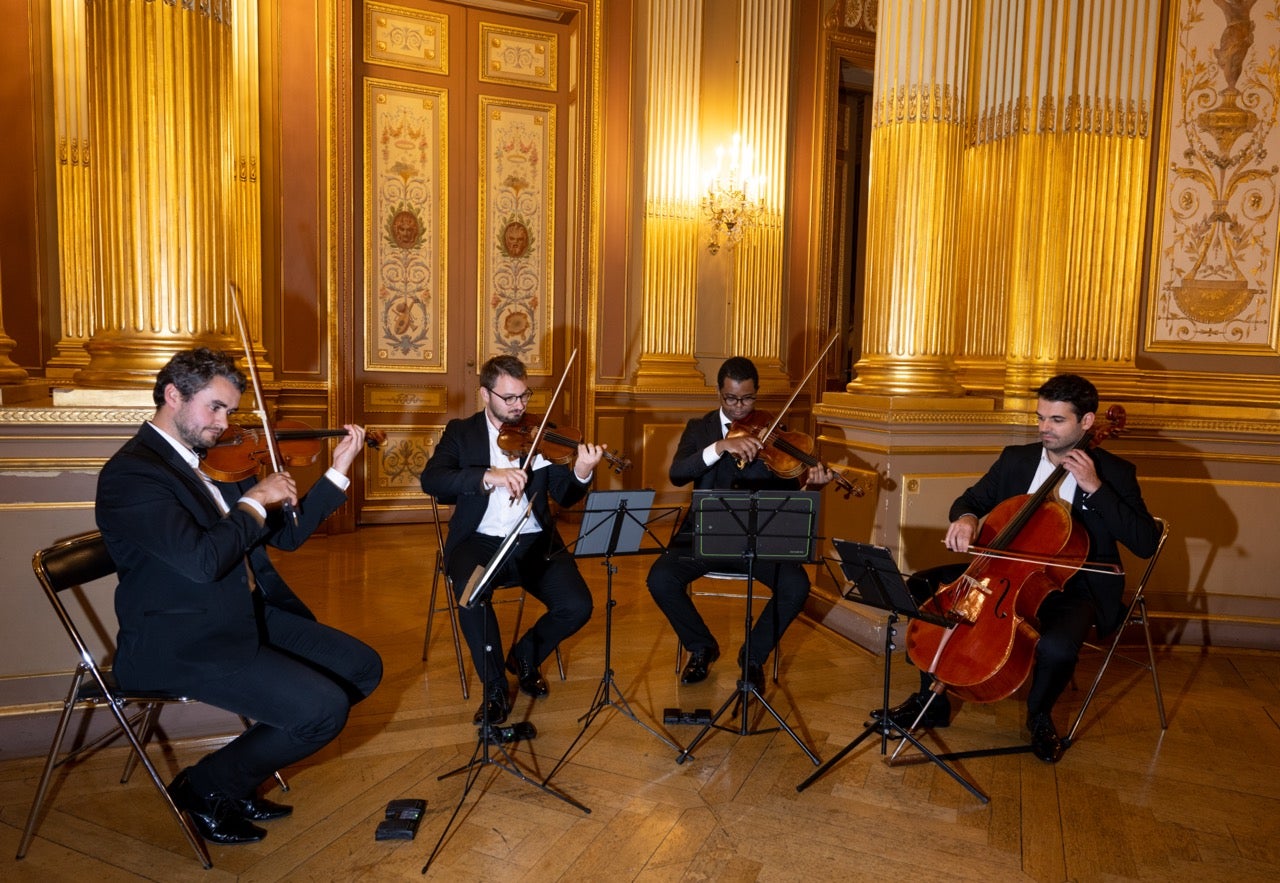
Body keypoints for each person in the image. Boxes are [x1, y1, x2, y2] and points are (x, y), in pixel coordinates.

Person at [94, 348, 383, 845]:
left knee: (362, 668)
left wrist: (337, 471)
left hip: (241, 614)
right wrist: (252, 502)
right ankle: (205, 787)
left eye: (229, 411)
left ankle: (238, 775)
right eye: (215, 407)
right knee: (322, 712)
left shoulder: (218, 461)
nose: (224, 423)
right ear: (172, 396)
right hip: (182, 639)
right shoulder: (132, 476)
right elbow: (203, 561)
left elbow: (286, 537)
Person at [876, 373, 1160, 762]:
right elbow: (970, 499)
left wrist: (1095, 487)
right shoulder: (1016, 459)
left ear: (1087, 422)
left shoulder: (1114, 473)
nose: (1044, 427)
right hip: (1005, 572)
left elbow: (1144, 543)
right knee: (927, 588)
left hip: (1074, 585)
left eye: (1056, 420)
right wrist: (966, 519)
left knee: (1058, 645)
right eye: (1041, 417)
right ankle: (933, 701)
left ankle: (1040, 716)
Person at [419, 355, 602, 726]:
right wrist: (489, 475)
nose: (519, 406)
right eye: (509, 398)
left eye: (524, 396)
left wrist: (581, 473)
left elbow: (564, 496)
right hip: (479, 539)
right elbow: (433, 480)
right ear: (485, 394)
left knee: (578, 605)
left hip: (534, 540)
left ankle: (524, 656)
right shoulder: (462, 432)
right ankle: (495, 687)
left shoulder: (541, 433)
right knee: (471, 596)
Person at [646, 357, 834, 690]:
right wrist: (720, 446)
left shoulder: (773, 433)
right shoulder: (699, 429)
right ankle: (701, 647)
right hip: (703, 535)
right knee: (660, 578)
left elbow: (790, 490)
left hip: (757, 539)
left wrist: (814, 485)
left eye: (747, 398)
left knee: (797, 586)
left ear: (756, 393)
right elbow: (677, 474)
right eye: (731, 398)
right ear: (719, 392)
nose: (738, 407)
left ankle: (753, 657)